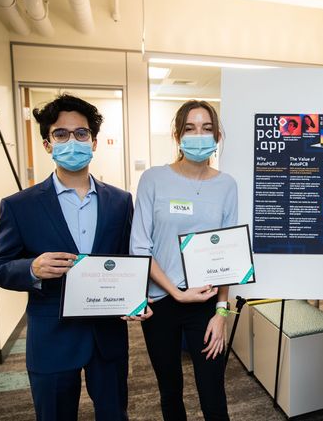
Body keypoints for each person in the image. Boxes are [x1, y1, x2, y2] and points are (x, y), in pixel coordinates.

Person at [0, 94, 150, 421]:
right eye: (61, 134)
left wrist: (136, 298)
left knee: (115, 414)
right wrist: (32, 267)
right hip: (52, 336)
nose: (71, 141)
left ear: (93, 141)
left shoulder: (120, 201)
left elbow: (128, 258)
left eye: (81, 133)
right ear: (48, 144)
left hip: (107, 334)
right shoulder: (20, 206)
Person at [131, 100, 236, 420]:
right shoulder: (153, 179)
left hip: (205, 303)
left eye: (206, 128)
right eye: (190, 128)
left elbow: (228, 255)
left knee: (213, 392)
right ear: (177, 135)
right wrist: (176, 292)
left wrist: (221, 311)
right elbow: (140, 247)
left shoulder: (227, 185)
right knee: (170, 389)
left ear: (217, 135)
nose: (199, 135)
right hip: (161, 301)